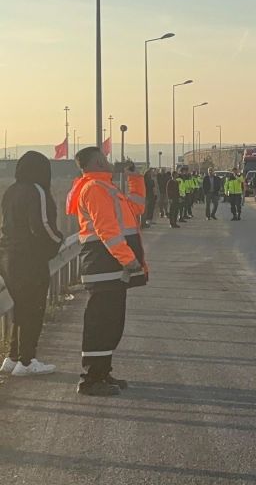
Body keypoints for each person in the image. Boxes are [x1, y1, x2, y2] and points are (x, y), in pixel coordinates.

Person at [68, 146, 140, 396]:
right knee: (101, 323)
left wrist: (135, 178)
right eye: (106, 158)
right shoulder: (95, 189)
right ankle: (90, 379)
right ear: (98, 161)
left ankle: (102, 372)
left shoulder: (106, 187)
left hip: (110, 267)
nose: (110, 161)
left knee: (111, 323)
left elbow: (137, 208)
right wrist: (128, 260)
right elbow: (106, 230)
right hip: (104, 265)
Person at [0, 151, 64, 377]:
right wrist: (59, 240)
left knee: (21, 307)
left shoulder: (11, 191)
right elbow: (42, 226)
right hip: (29, 259)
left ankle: (13, 357)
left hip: (7, 257)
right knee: (34, 310)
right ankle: (27, 362)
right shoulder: (36, 191)